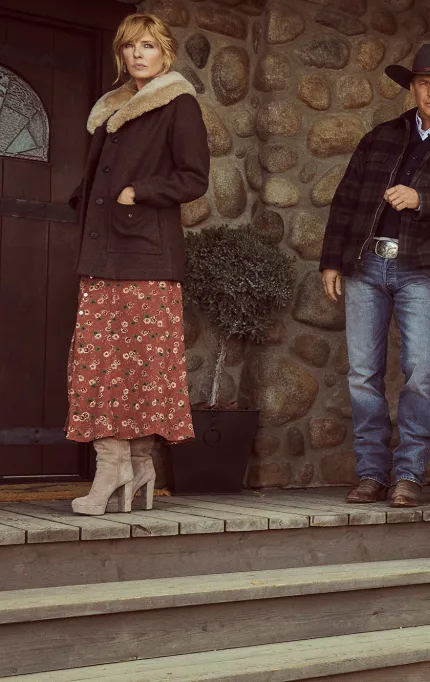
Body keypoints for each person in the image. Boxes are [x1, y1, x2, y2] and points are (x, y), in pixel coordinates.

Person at [319, 43, 430, 508]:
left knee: (421, 369)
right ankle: (372, 473)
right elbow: (347, 198)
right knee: (362, 373)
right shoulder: (381, 136)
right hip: (366, 263)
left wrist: (423, 199)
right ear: (412, 87)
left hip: (420, 265)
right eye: (423, 83)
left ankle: (410, 473)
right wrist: (332, 260)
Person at [66, 14, 209, 515]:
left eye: (147, 45)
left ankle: (118, 471)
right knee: (102, 364)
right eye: (129, 47)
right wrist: (85, 198)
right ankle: (135, 466)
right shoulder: (111, 108)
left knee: (141, 367)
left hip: (146, 255)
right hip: (103, 250)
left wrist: (137, 192)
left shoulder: (179, 104)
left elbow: (194, 177)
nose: (137, 55)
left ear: (165, 52)